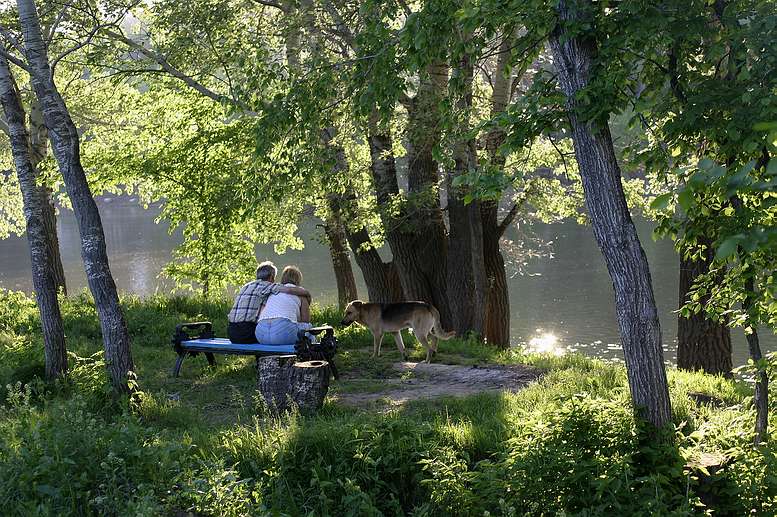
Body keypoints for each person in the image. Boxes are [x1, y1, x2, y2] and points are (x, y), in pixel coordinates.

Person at [227, 261, 310, 344]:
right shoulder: (269, 287)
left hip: (232, 332)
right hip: (248, 333)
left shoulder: (246, 286)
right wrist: (307, 294)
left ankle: (261, 356)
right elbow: (288, 289)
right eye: (274, 278)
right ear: (271, 277)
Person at [254, 265, 312, 345]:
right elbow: (306, 321)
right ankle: (316, 354)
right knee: (308, 328)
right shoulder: (300, 292)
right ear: (298, 279)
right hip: (283, 334)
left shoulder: (274, 290)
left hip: (261, 334)